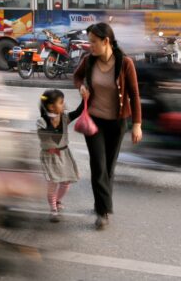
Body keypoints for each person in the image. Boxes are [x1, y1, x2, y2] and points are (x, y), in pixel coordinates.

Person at [73, 23, 142, 230]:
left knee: (109, 168)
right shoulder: (89, 61)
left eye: (93, 42)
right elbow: (77, 77)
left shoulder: (125, 63)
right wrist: (82, 86)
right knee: (98, 166)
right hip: (93, 120)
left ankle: (100, 203)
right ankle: (103, 212)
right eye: (89, 41)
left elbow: (134, 94)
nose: (89, 45)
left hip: (117, 122)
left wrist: (137, 124)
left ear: (106, 42)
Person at [37, 89, 83, 223]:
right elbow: (44, 135)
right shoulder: (42, 121)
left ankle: (57, 200)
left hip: (64, 154)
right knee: (53, 183)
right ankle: (53, 210)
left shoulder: (64, 117)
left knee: (66, 182)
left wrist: (85, 99)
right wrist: (54, 119)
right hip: (50, 155)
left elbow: (78, 112)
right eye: (61, 103)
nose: (64, 105)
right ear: (51, 106)